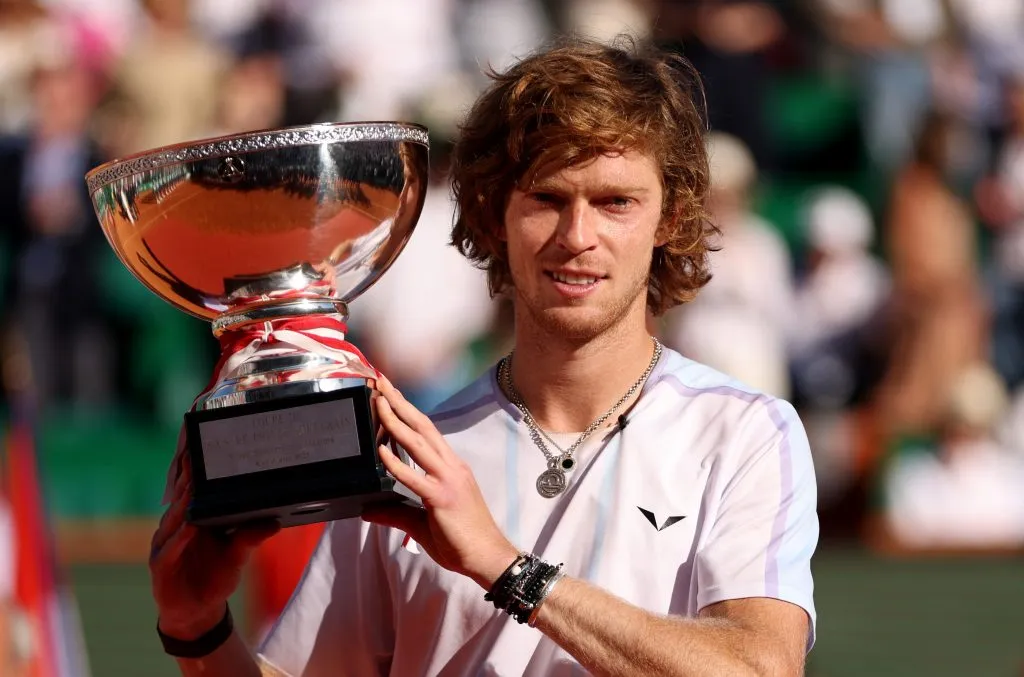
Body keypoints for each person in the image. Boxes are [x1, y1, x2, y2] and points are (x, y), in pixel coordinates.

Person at [149, 38, 818, 676]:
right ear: (494, 214)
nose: (578, 236)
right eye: (547, 199)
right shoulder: (406, 453)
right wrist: (198, 627)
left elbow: (758, 664)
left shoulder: (747, 433)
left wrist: (506, 567)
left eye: (615, 201)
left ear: (668, 218)